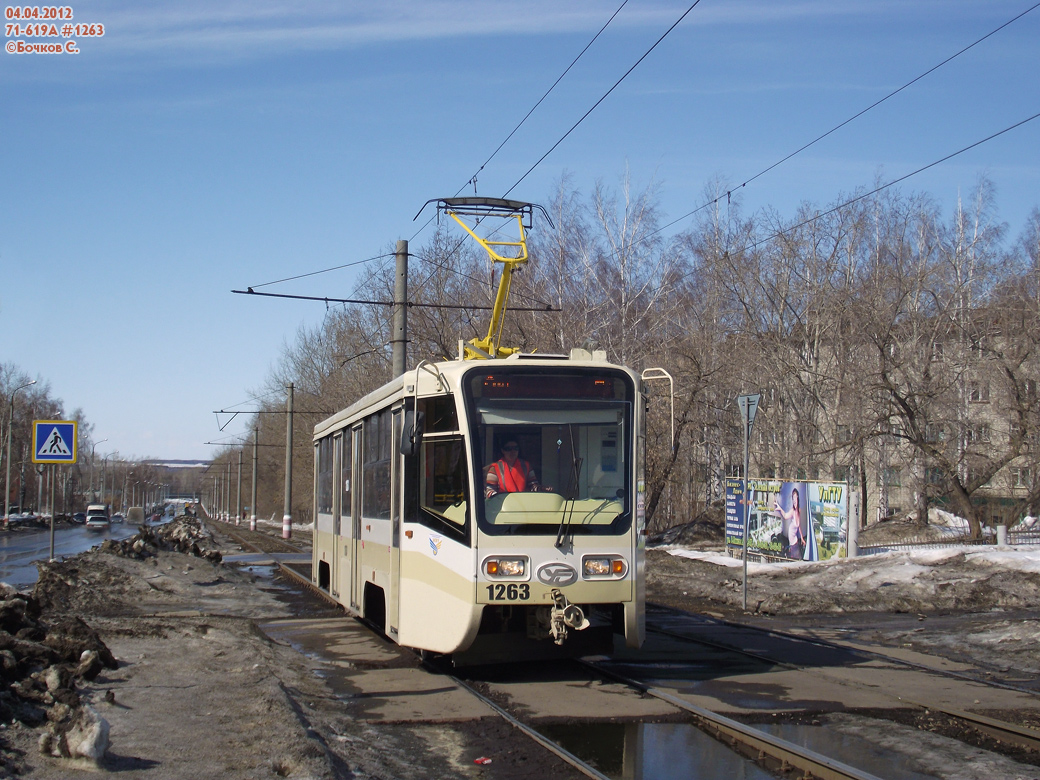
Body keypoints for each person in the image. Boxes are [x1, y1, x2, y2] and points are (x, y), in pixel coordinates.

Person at [773, 487, 806, 560]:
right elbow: (785, 516)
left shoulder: (799, 511)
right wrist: (780, 508)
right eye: (793, 498)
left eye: (795, 497)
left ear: (797, 498)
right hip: (792, 544)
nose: (794, 500)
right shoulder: (792, 511)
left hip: (795, 542)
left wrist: (802, 538)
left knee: (798, 560)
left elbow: (799, 525)